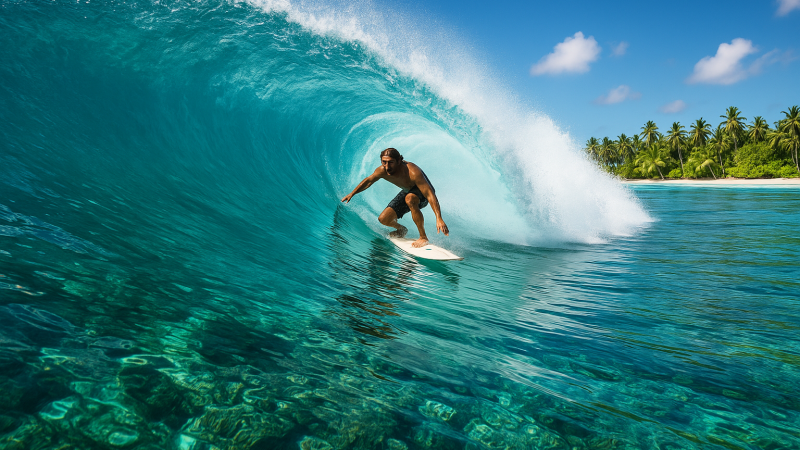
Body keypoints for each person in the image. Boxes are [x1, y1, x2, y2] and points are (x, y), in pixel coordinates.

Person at [341, 148, 449, 248]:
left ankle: (423, 237)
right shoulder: (382, 170)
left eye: (391, 162)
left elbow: (430, 194)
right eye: (384, 162)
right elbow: (369, 181)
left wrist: (438, 218)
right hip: (407, 191)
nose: (387, 166)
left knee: (410, 198)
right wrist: (352, 193)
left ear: (399, 161)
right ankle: (401, 230)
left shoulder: (413, 172)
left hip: (423, 195)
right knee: (383, 219)